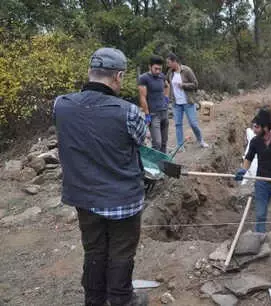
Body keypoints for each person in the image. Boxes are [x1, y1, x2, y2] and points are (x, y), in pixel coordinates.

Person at [53, 48, 148, 306]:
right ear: (118, 76)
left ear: (89, 73)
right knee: (121, 254)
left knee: (94, 250)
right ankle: (120, 300)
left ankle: (94, 300)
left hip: (84, 197)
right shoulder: (129, 112)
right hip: (123, 199)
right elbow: (141, 142)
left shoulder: (61, 104)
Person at [165, 53, 208, 149]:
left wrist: (183, 85)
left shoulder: (187, 70)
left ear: (174, 61)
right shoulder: (170, 72)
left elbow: (195, 84)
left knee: (193, 123)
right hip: (176, 103)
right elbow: (166, 81)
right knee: (178, 124)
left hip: (188, 102)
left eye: (168, 63)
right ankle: (180, 146)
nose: (167, 65)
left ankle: (200, 140)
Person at [138, 55, 170, 153]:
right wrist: (147, 114)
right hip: (153, 114)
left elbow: (167, 86)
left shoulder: (161, 76)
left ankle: (163, 165)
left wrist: (166, 98)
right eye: (156, 69)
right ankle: (153, 165)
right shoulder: (143, 78)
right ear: (149, 67)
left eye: (160, 69)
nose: (158, 71)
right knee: (157, 143)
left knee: (164, 142)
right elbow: (142, 97)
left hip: (164, 112)